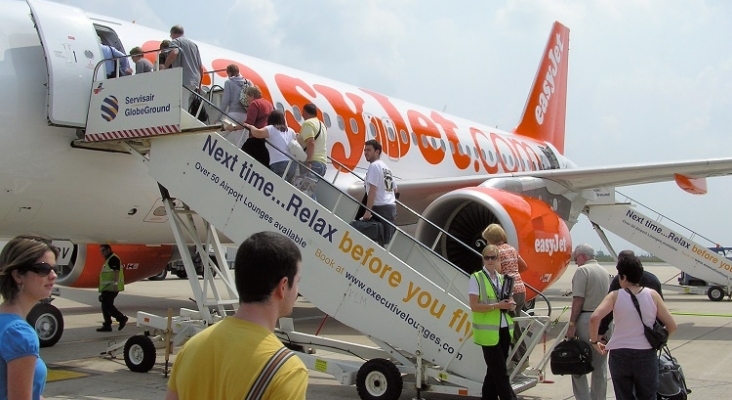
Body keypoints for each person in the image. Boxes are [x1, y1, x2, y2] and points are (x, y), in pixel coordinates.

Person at [165, 231, 308, 400]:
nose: (297, 291)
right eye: (297, 281)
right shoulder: (286, 370)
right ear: (283, 286)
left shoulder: (190, 349)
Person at [589, 256, 677, 400]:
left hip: (619, 354)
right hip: (645, 354)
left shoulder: (614, 296)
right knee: (648, 396)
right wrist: (661, 339)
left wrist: (594, 342)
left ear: (623, 277)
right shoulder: (652, 295)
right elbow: (672, 325)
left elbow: (594, 318)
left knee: (623, 396)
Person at [0, 235, 58, 400]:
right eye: (43, 269)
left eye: (55, 269)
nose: (53, 275)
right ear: (18, 275)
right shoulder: (19, 333)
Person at [469, 244, 517, 400]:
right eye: (487, 257)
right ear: (483, 259)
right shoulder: (476, 278)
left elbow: (508, 301)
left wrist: (511, 304)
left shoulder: (504, 279)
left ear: (498, 259)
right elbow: (474, 306)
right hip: (487, 334)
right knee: (501, 372)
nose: (490, 260)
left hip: (504, 330)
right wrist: (498, 306)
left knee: (493, 372)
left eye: (493, 257)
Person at [481, 223, 529, 368]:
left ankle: (520, 358)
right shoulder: (511, 248)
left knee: (509, 327)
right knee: (513, 324)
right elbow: (524, 266)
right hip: (520, 288)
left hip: (508, 290)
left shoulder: (495, 251)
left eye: (487, 240)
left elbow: (498, 270)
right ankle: (516, 357)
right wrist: (512, 271)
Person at [567, 244, 610, 400]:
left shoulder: (582, 271)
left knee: (578, 363)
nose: (575, 261)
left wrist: (572, 325)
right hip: (605, 321)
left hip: (586, 319)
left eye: (576, 258)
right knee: (600, 366)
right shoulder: (605, 272)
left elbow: (578, 299)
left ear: (583, 256)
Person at [598, 250, 663, 342]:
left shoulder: (620, 280)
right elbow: (662, 314)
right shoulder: (653, 280)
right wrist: (656, 333)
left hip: (625, 337)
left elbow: (608, 311)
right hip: (649, 338)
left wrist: (600, 331)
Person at [244, 110, 298, 182]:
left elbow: (257, 133)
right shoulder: (291, 131)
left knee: (276, 187)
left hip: (279, 162)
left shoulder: (271, 128)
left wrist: (250, 126)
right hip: (292, 164)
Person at [360, 139, 398, 244]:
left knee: (372, 241)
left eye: (369, 150)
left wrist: (368, 211)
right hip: (390, 209)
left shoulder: (374, 166)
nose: (365, 152)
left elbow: (373, 189)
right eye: (365, 150)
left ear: (377, 152)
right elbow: (395, 190)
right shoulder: (386, 168)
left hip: (379, 208)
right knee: (383, 243)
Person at [162, 25, 203, 107]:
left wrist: (165, 66)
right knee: (185, 103)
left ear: (172, 34)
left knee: (180, 105)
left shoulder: (176, 41)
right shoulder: (194, 45)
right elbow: (200, 67)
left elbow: (174, 52)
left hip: (183, 78)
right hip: (195, 79)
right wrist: (199, 85)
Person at [96, 244, 128, 332]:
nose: (102, 253)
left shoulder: (113, 259)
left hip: (112, 288)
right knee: (104, 306)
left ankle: (121, 318)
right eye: (101, 251)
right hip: (107, 288)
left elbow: (116, 272)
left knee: (108, 305)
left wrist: (115, 284)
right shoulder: (109, 259)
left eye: (103, 251)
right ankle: (107, 325)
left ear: (108, 250)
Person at [240, 85, 274, 167]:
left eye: (247, 97)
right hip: (266, 139)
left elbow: (249, 123)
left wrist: (233, 127)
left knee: (241, 158)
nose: (247, 100)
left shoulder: (254, 104)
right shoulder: (269, 104)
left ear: (251, 95)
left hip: (255, 139)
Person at [220, 64, 250, 148]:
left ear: (228, 73)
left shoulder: (228, 82)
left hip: (232, 115)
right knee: (241, 144)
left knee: (219, 135)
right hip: (244, 116)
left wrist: (218, 117)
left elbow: (225, 101)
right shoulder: (247, 82)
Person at [297, 103, 328, 177]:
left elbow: (311, 143)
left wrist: (309, 162)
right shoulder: (321, 124)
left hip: (313, 164)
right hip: (322, 164)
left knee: (302, 187)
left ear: (304, 112)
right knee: (309, 188)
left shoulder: (308, 123)